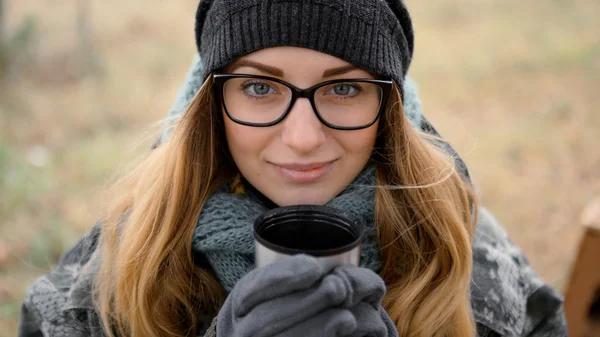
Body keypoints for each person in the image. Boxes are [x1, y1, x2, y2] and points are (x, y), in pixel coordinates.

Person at [17, 0, 568, 336]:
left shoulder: (460, 250)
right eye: (260, 87)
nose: (303, 138)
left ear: (391, 111)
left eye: (345, 87)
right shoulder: (124, 261)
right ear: (211, 103)